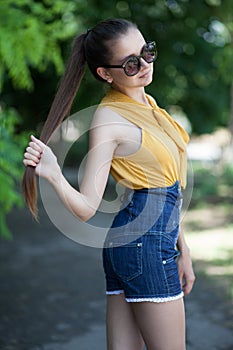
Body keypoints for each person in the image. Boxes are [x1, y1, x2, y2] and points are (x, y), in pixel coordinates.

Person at [23, 18, 195, 350]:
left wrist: (182, 250)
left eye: (147, 52)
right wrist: (55, 173)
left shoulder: (149, 105)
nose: (144, 65)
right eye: (131, 63)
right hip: (144, 247)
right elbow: (87, 207)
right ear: (105, 73)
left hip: (144, 242)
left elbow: (164, 188)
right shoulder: (110, 118)